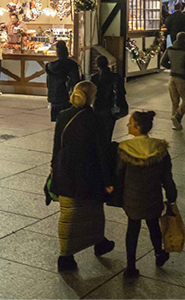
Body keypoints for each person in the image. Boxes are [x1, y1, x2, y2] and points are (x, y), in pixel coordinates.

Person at [50, 81, 115, 272]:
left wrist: (53, 164)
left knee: (69, 211)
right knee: (91, 209)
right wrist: (108, 181)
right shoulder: (95, 119)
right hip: (88, 171)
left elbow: (57, 143)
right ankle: (65, 256)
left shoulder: (63, 115)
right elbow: (102, 151)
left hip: (65, 168)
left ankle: (98, 242)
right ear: (91, 96)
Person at [115, 110, 177, 279]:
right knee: (153, 226)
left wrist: (115, 195)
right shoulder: (160, 148)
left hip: (132, 198)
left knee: (132, 229)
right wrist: (172, 196)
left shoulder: (125, 149)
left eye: (130, 123)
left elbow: (119, 175)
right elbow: (167, 177)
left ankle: (131, 266)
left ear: (138, 127)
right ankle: (159, 255)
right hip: (153, 197)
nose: (128, 125)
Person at [161, 32, 185, 130]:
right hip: (182, 78)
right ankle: (177, 117)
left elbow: (162, 62)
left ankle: (175, 124)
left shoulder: (170, 49)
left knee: (175, 101)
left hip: (172, 77)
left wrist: (172, 66)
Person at [91, 56, 126, 142]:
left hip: (98, 108)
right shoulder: (116, 77)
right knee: (108, 133)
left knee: (98, 133)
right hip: (111, 108)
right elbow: (122, 92)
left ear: (97, 65)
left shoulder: (94, 78)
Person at [45, 41, 80, 122]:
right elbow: (76, 81)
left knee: (58, 122)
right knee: (68, 122)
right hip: (67, 97)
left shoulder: (51, 66)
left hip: (55, 97)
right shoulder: (72, 65)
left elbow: (49, 84)